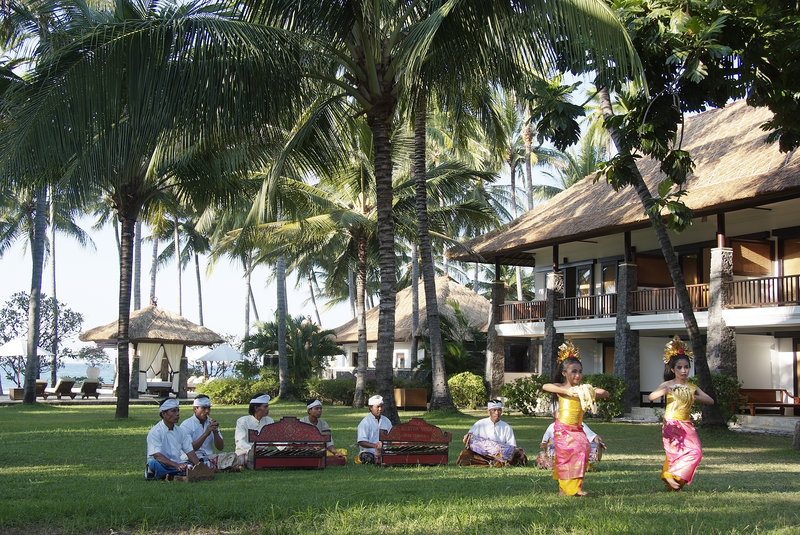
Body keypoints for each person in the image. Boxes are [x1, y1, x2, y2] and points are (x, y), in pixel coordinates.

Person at [543, 341, 609, 496]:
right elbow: (546, 386)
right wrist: (568, 392)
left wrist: (588, 391)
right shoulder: (561, 388)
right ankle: (568, 489)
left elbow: (605, 393)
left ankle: (572, 487)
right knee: (566, 456)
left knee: (584, 448)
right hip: (562, 429)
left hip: (577, 429)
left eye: (580, 371)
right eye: (573, 371)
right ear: (564, 373)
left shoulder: (583, 390)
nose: (578, 375)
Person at [648, 336, 714, 491]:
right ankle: (671, 480)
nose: (684, 370)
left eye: (686, 367)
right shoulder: (668, 384)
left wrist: (694, 396)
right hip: (671, 423)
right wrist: (666, 390)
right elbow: (651, 397)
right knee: (674, 454)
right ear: (673, 369)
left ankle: (672, 478)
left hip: (687, 424)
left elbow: (710, 400)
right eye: (679, 367)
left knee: (695, 452)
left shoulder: (691, 386)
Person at [145, 398, 202, 480]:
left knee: (190, 465)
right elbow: (157, 456)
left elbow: (189, 451)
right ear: (164, 413)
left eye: (178, 411)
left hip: (178, 463)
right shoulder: (155, 432)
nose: (177, 414)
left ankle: (172, 475)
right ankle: (174, 474)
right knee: (154, 463)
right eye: (173, 411)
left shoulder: (181, 431)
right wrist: (176, 465)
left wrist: (198, 466)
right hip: (162, 463)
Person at [458, 399, 526, 466]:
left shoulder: (506, 427)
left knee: (516, 455)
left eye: (499, 410)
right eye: (494, 410)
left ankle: (495, 462)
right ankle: (490, 462)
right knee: (465, 455)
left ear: (501, 411)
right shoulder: (480, 424)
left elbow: (511, 447)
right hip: (481, 455)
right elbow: (467, 439)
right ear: (488, 411)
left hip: (500, 456)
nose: (497, 413)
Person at [180, 394, 238, 471]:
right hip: (191, 458)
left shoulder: (210, 423)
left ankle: (210, 467)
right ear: (195, 409)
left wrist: (215, 432)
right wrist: (205, 434)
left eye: (209, 408)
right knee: (194, 462)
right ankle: (213, 467)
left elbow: (220, 447)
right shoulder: (186, 425)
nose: (207, 411)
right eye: (203, 408)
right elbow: (189, 449)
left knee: (232, 456)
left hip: (209, 457)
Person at [538, 409, 606, 470]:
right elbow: (544, 445)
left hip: (576, 450)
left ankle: (587, 458)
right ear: (554, 415)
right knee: (552, 445)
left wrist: (599, 442)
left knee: (584, 444)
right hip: (559, 452)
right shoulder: (551, 427)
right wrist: (545, 445)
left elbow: (594, 437)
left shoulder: (579, 424)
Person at [234, 393, 274, 469]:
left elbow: (276, 438)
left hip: (263, 454)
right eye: (265, 407)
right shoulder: (242, 421)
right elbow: (240, 441)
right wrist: (253, 451)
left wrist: (285, 447)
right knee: (242, 459)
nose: (268, 409)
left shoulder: (269, 421)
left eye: (268, 406)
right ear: (256, 408)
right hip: (245, 453)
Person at [356, 394, 392, 464]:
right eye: (378, 407)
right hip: (369, 451)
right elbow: (361, 442)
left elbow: (391, 437)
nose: (380, 409)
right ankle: (382, 460)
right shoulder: (365, 422)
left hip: (385, 451)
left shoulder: (386, 421)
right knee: (366, 457)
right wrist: (375, 446)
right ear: (371, 407)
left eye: (382, 407)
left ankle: (385, 459)